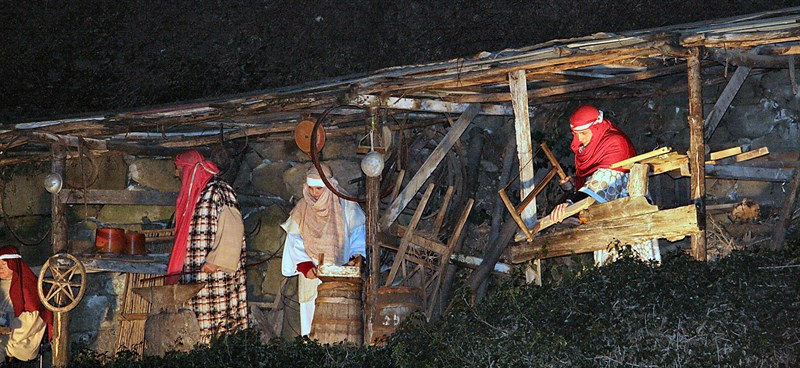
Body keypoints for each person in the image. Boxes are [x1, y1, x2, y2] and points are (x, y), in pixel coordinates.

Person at [550, 105, 661, 266]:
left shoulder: (615, 143)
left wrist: (570, 203)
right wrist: (574, 184)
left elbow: (601, 183)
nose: (579, 139)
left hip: (627, 214)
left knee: (634, 263)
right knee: (609, 267)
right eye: (576, 134)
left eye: (583, 133)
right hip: (604, 218)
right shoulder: (589, 148)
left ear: (596, 128)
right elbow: (590, 180)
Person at [166, 150, 248, 343]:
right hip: (195, 274)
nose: (176, 174)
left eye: (179, 169)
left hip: (215, 274)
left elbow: (233, 226)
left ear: (189, 169)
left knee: (217, 323)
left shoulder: (219, 190)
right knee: (195, 323)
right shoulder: (196, 193)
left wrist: (216, 260)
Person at [281, 163, 366, 336]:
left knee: (340, 324)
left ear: (329, 186)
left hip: (340, 272)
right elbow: (294, 239)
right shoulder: (302, 208)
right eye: (310, 188)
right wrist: (305, 265)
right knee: (311, 323)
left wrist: (356, 259)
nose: (314, 193)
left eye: (319, 188)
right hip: (312, 273)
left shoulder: (346, 206)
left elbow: (358, 235)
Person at [0, 246, 52, 364]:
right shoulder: (3, 285)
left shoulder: (28, 286)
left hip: (20, 341)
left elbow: (33, 319)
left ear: (13, 264)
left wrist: (9, 330)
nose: (0, 268)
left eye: (4, 264)